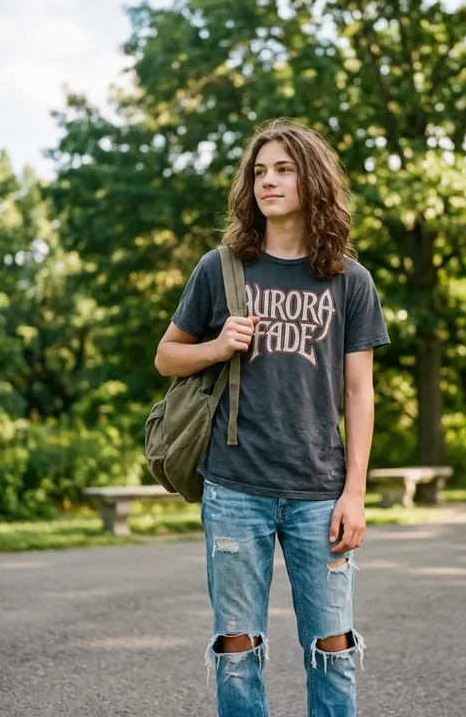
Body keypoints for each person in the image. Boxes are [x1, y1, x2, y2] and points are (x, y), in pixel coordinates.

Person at [154, 118, 389, 716]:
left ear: (313, 182)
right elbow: (166, 356)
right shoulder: (222, 268)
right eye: (260, 171)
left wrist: (355, 492)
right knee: (238, 650)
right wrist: (215, 346)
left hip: (320, 489)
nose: (269, 181)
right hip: (235, 486)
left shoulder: (348, 281)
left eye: (284, 169)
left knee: (333, 648)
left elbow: (359, 393)